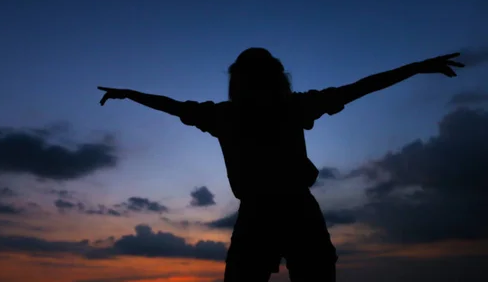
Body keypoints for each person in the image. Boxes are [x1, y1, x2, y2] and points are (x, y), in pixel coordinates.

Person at [97, 48, 464, 282]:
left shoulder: (230, 114)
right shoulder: (281, 108)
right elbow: (359, 87)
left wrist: (131, 95)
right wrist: (416, 67)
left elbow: (172, 105)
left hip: (274, 212)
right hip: (284, 211)